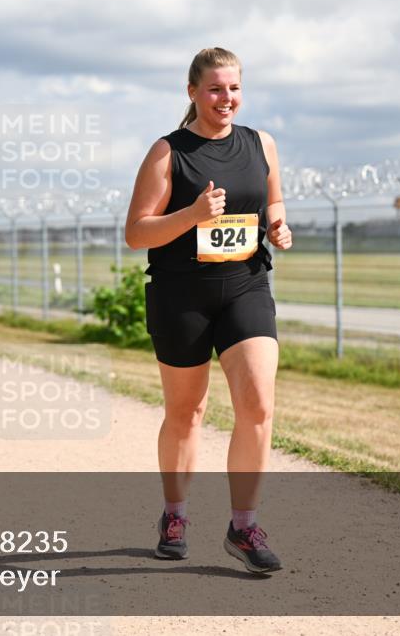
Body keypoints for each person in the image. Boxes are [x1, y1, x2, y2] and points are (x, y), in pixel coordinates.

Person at [125, 47, 293, 574]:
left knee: (259, 406)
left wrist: (279, 226)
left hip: (245, 285)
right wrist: (194, 214)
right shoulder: (168, 152)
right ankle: (174, 516)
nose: (227, 99)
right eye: (216, 89)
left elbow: (275, 202)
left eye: (235, 88)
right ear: (193, 92)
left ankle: (243, 526)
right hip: (181, 295)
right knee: (186, 413)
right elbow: (136, 233)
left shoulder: (261, 143)